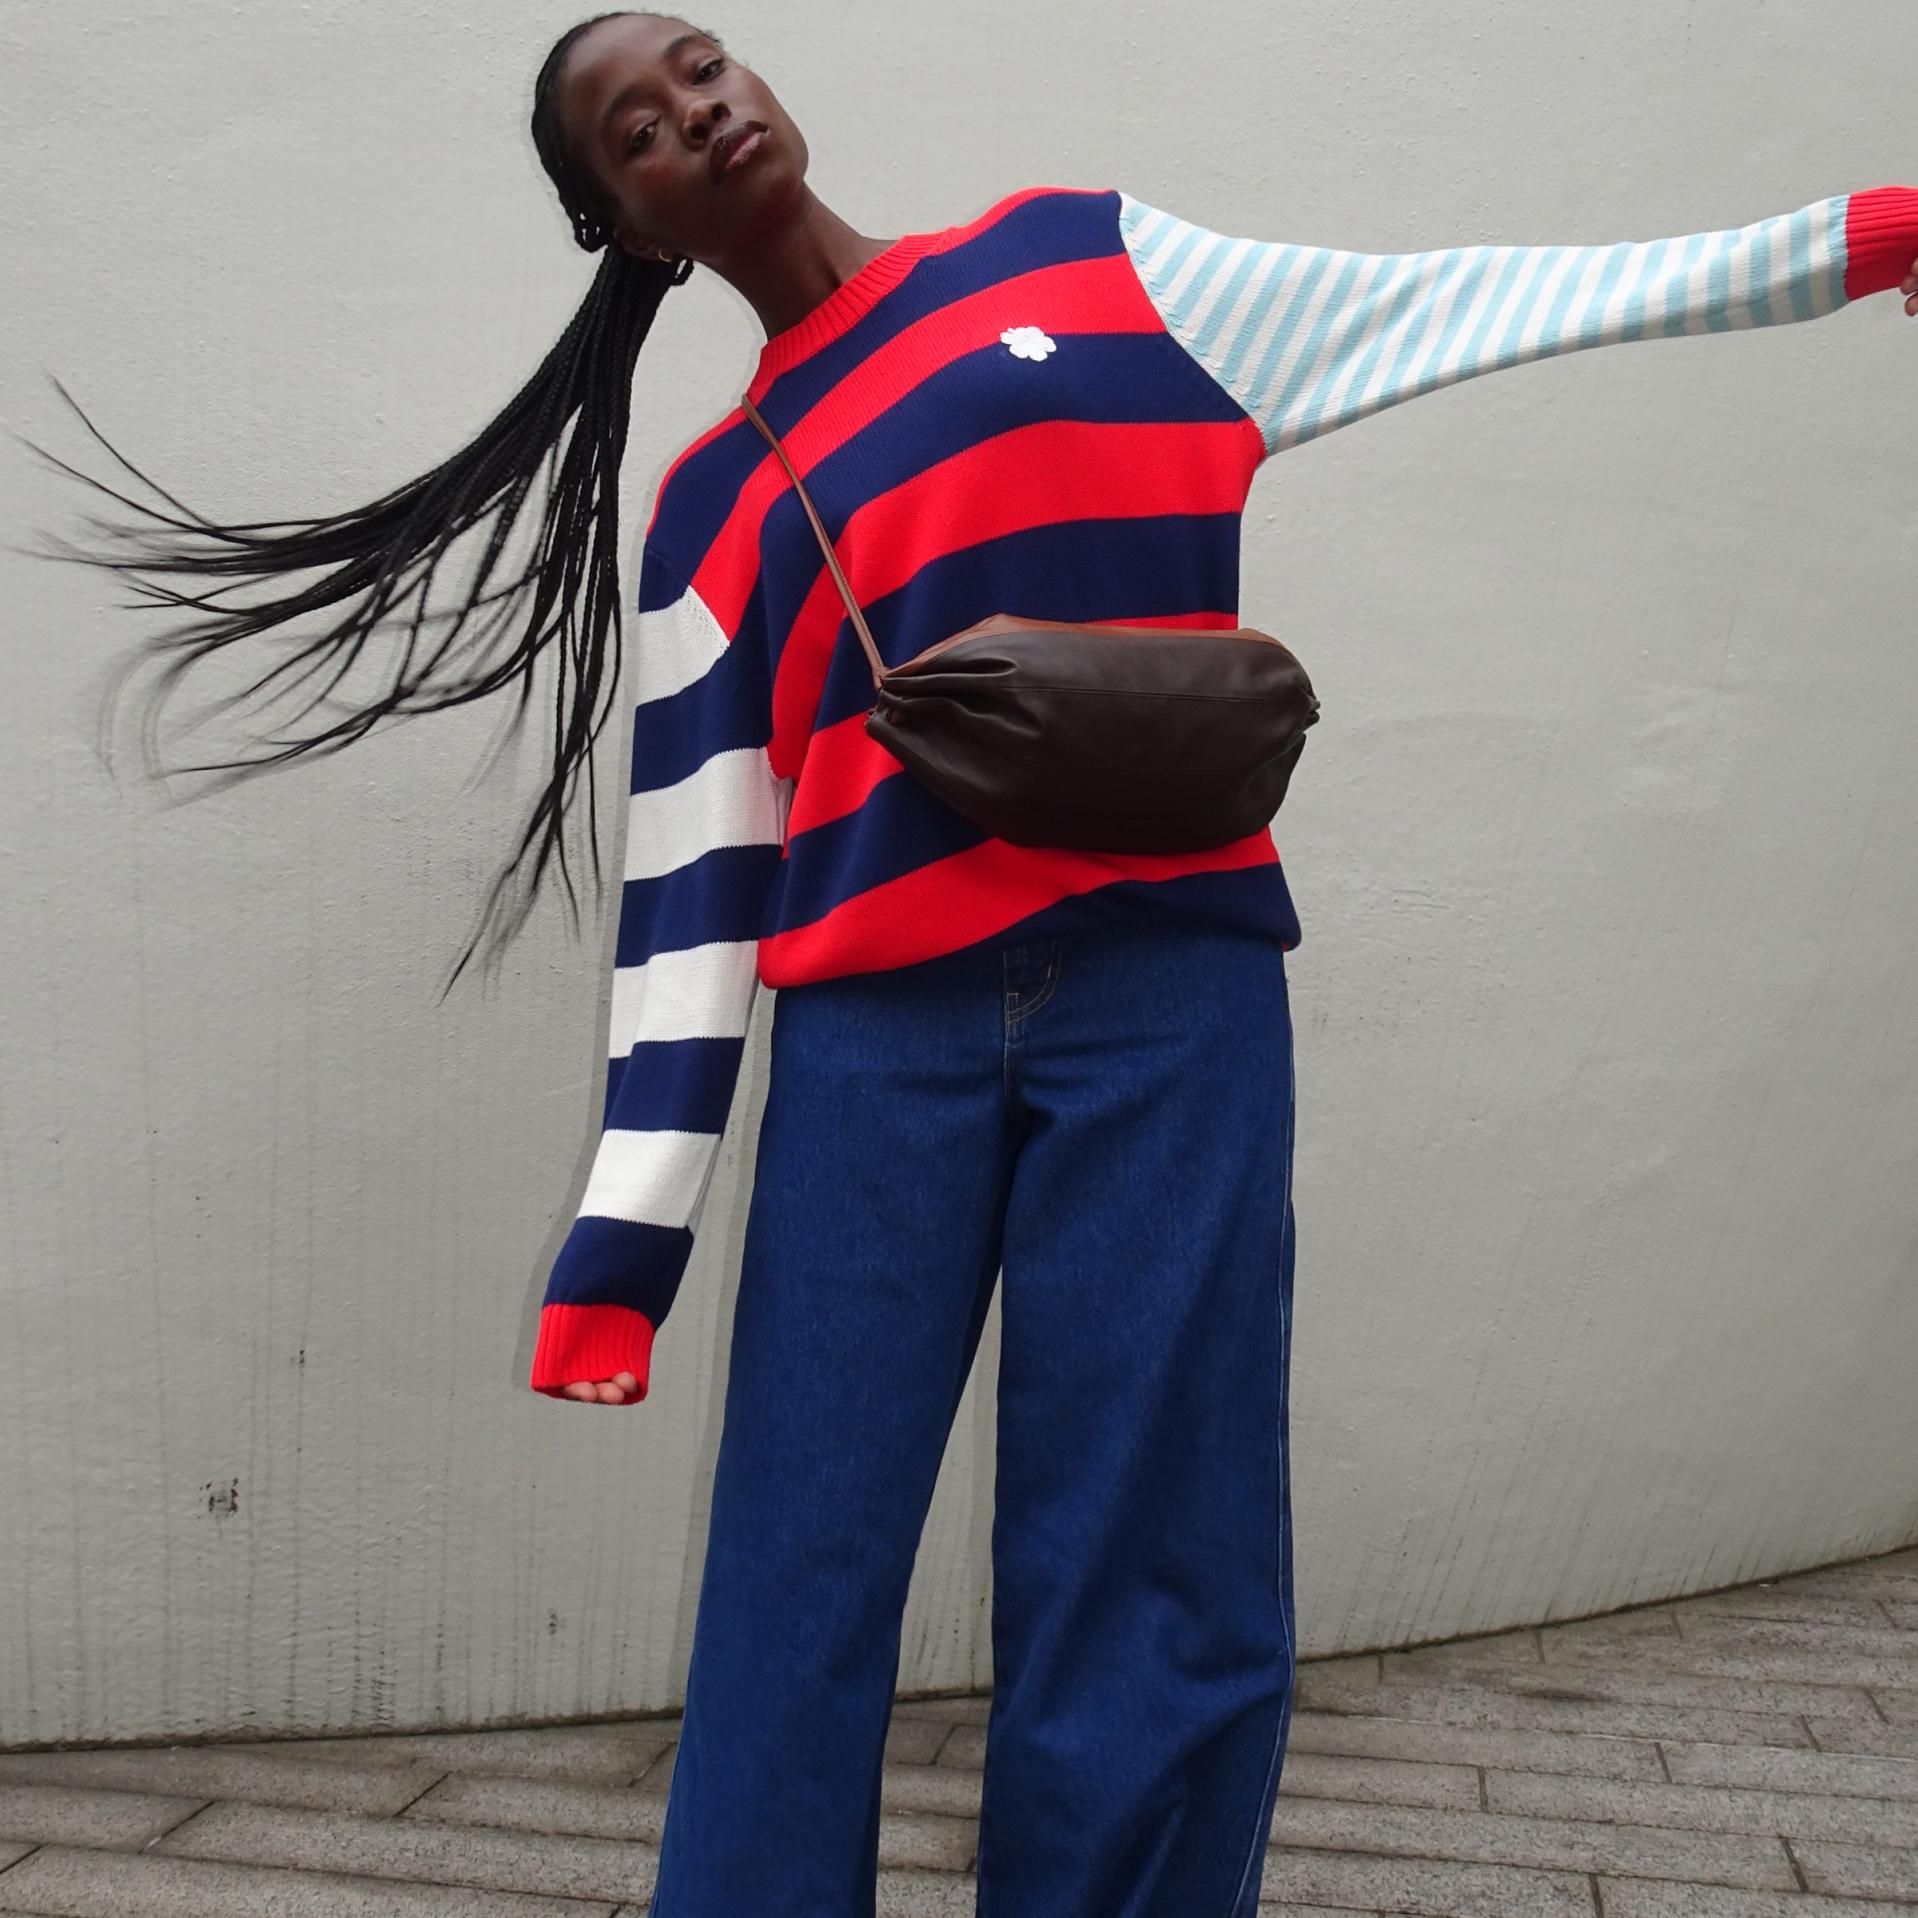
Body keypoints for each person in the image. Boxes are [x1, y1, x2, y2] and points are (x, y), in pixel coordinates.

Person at [33, 11, 1918, 1915]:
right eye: (637, 132)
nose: (693, 108)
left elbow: (1481, 296)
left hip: (1166, 999)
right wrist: (623, 1249)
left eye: (696, 66)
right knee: (801, 1553)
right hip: (877, 1048)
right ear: (633, 224)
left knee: (1157, 1534)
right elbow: (692, 894)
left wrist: (1862, 240)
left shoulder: (1093, 262)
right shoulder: (712, 507)